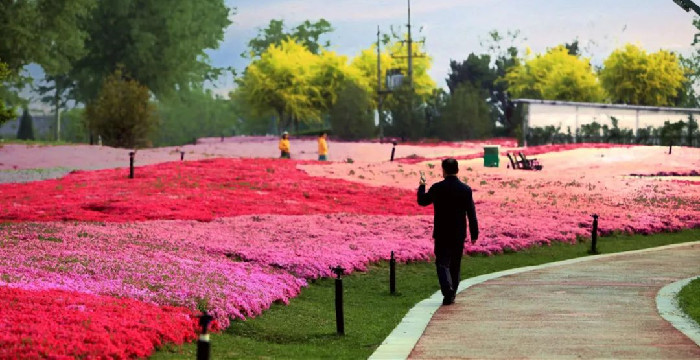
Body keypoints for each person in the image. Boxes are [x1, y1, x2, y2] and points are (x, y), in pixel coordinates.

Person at [417, 158, 478, 305]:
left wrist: (422, 185)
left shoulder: (438, 187)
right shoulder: (465, 189)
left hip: (442, 232)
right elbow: (471, 213)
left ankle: (447, 289)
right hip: (458, 233)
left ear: (443, 170)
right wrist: (474, 233)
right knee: (455, 264)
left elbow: (423, 201)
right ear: (457, 170)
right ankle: (452, 293)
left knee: (442, 263)